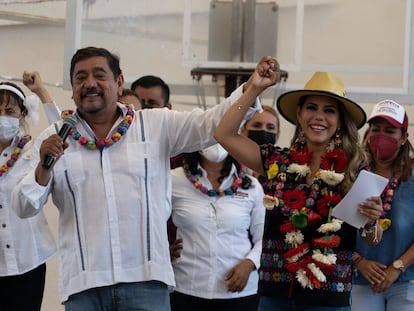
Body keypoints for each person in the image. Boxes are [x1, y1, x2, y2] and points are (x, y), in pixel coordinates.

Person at [12, 47, 278, 310]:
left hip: (147, 283)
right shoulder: (55, 137)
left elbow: (210, 125)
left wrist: (252, 88)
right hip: (84, 287)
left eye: (99, 75)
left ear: (119, 82)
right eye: (81, 78)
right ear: (72, 88)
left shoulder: (154, 125)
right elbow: (24, 207)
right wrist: (43, 170)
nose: (90, 83)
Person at [214, 71, 384, 310]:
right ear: (299, 114)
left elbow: (372, 239)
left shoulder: (355, 168)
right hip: (275, 295)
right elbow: (223, 134)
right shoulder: (277, 161)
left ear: (339, 120)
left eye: (329, 110)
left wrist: (370, 222)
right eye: (312, 108)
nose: (319, 117)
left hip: (329, 298)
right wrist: (254, 89)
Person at [169, 144, 265, 311]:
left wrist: (249, 264)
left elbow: (264, 237)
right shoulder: (172, 180)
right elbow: (150, 221)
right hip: (186, 287)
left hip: (239, 292)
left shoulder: (252, 186)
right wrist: (162, 251)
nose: (216, 143)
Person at [352, 99, 414, 311]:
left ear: (404, 137)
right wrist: (360, 262)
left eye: (390, 131)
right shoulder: (351, 172)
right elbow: (334, 227)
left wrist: (397, 268)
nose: (381, 136)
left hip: (406, 280)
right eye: (376, 129)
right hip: (360, 280)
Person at [0, 81, 57, 311]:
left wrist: (42, 92)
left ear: (23, 114)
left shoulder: (33, 149)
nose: (2, 116)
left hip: (28, 260)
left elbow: (65, 134)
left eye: (9, 111)